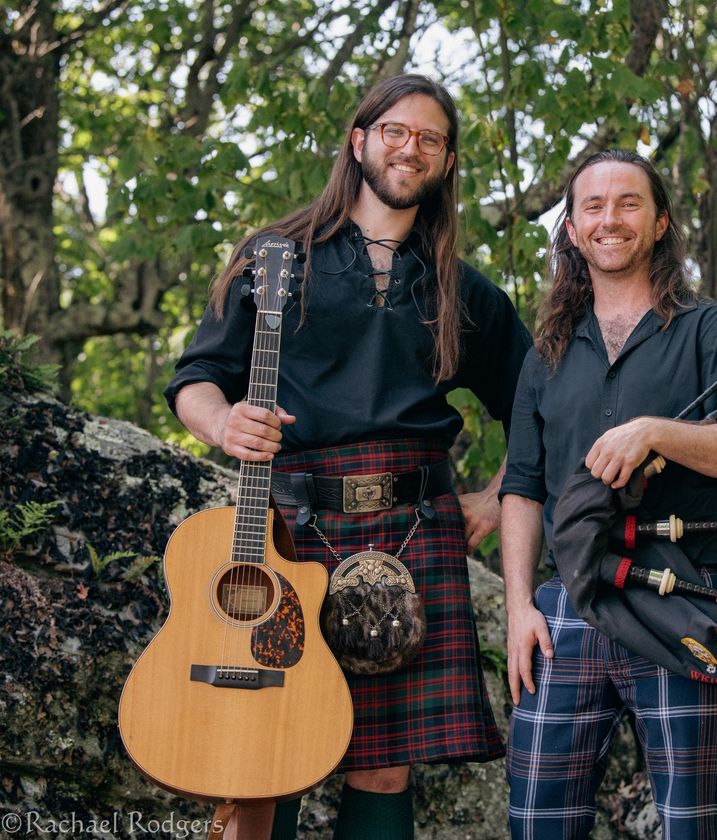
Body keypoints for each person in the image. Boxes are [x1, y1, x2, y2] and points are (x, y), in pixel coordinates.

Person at [165, 74, 530, 840]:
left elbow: (540, 405)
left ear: (448, 162)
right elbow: (196, 378)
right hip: (292, 529)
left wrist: (498, 496)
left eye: (431, 138)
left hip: (415, 529)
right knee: (272, 749)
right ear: (359, 141)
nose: (412, 148)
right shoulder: (277, 258)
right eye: (396, 130)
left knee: (385, 762)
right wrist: (224, 422)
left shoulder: (465, 291)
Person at [499, 149, 717, 839]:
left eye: (628, 204)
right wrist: (517, 610)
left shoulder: (715, 331)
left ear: (660, 224)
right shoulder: (548, 354)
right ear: (570, 229)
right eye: (592, 206)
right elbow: (522, 489)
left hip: (683, 598)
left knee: (693, 827)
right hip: (565, 612)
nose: (609, 219)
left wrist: (657, 432)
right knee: (538, 823)